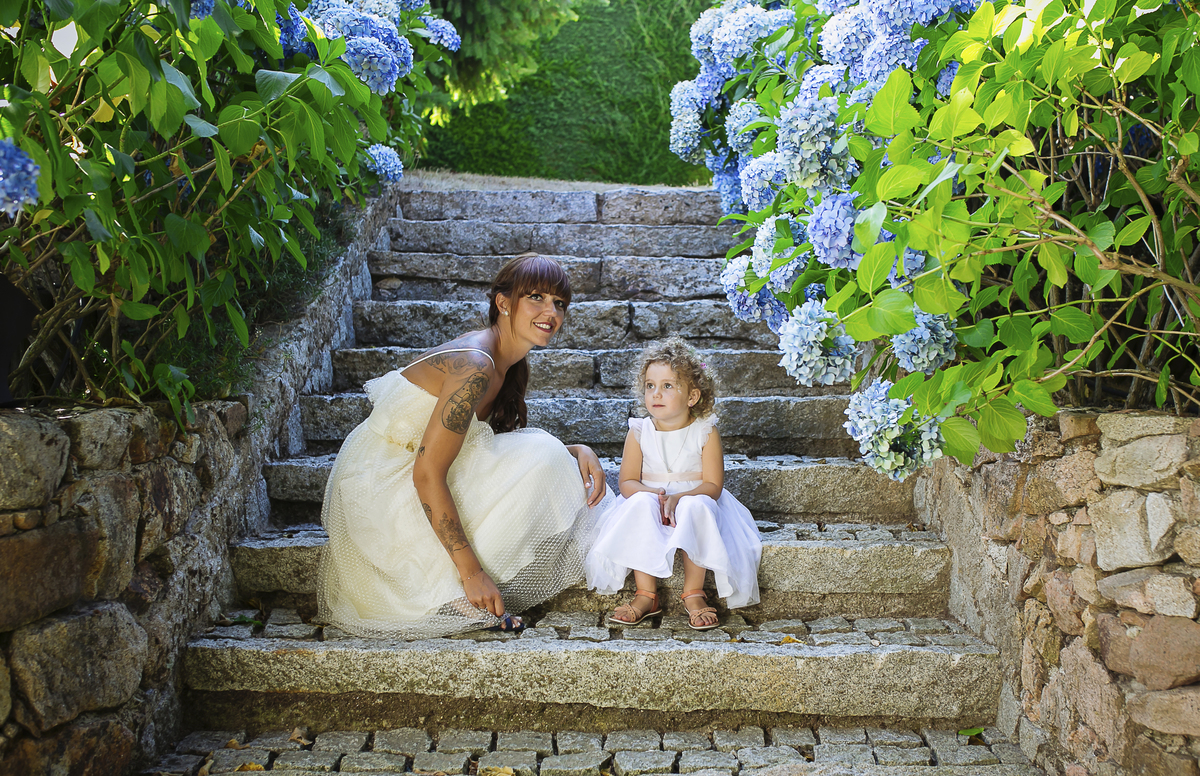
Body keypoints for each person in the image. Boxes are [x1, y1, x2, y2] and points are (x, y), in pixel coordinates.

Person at [317, 254, 608, 639]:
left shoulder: (508, 364)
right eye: (536, 297)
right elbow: (427, 473)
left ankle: (460, 591)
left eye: (559, 303)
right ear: (504, 303)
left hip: (415, 474)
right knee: (544, 456)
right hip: (381, 488)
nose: (550, 311)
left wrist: (576, 451)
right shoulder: (476, 364)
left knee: (548, 454)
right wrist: (471, 572)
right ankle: (457, 592)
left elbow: (481, 447)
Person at [585, 338, 761, 630]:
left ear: (692, 396)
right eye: (650, 386)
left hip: (695, 496)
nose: (656, 393)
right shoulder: (639, 431)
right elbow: (627, 482)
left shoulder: (705, 430)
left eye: (668, 386)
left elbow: (713, 486)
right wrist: (655, 495)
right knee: (639, 504)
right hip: (651, 495)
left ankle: (693, 592)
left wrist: (679, 498)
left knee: (697, 506)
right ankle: (646, 595)